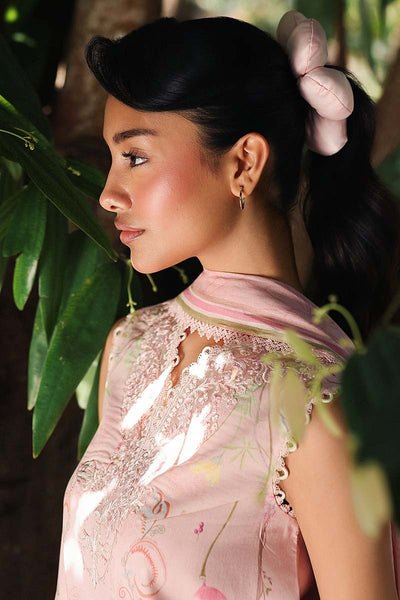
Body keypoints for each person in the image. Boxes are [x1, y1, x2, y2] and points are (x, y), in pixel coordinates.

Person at [54, 10, 400, 599]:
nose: (108, 194)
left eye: (135, 157)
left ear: (244, 163)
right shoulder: (131, 347)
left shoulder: (317, 411)